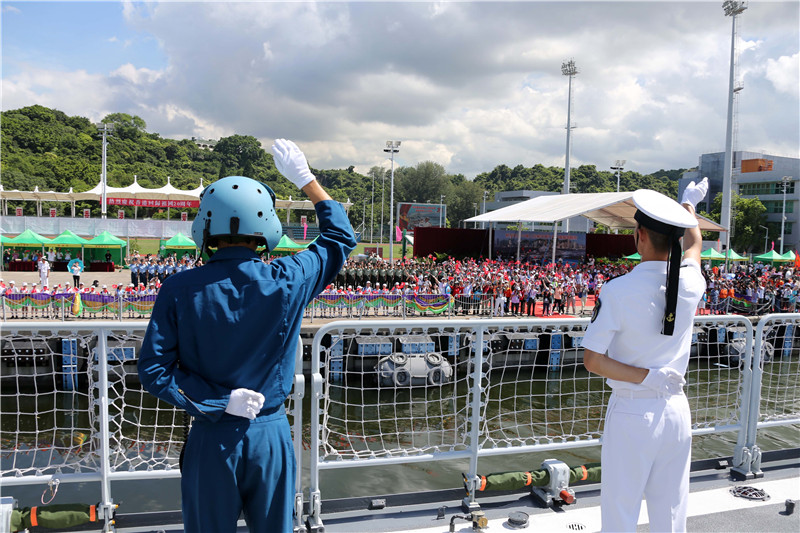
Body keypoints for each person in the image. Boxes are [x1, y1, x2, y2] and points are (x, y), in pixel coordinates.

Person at [138, 139, 356, 533]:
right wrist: (306, 180)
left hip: (211, 433)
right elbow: (340, 237)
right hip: (270, 432)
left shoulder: (179, 289)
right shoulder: (289, 279)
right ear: (267, 225)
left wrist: (219, 401)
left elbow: (155, 371)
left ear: (205, 225)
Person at [580, 178, 708, 532]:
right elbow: (695, 244)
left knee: (621, 510)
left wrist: (648, 377)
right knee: (671, 509)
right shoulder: (691, 282)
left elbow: (593, 360)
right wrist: (688, 205)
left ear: (640, 236)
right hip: (677, 408)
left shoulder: (618, 290)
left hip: (633, 409)